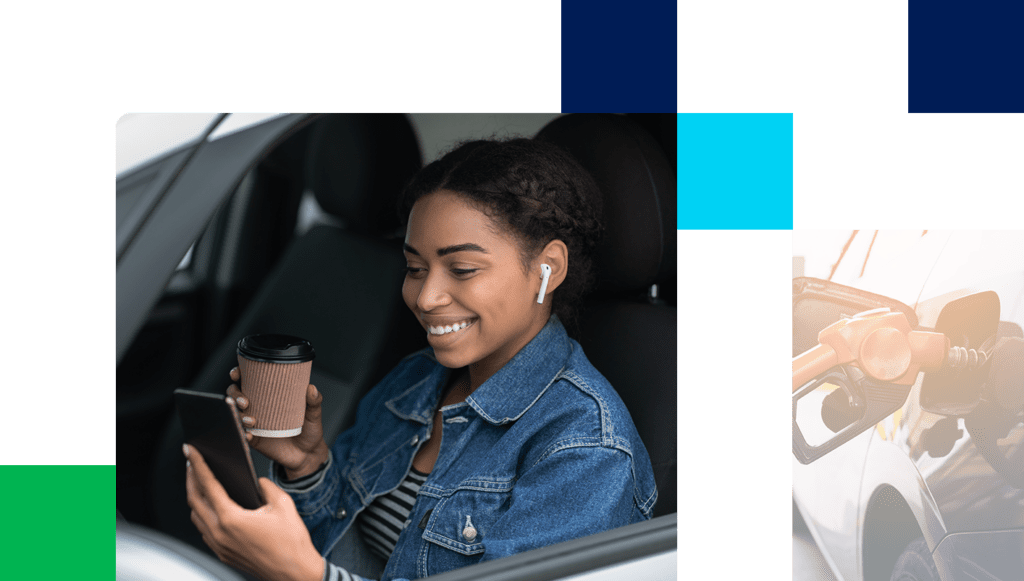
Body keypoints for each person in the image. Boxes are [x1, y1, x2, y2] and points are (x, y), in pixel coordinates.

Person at [185, 137, 658, 581]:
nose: (426, 297)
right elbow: (359, 552)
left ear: (547, 269)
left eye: (462, 269)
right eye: (414, 268)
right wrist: (307, 468)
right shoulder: (416, 378)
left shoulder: (586, 450)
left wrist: (304, 575)